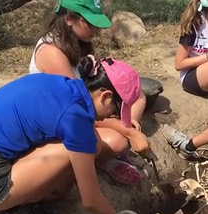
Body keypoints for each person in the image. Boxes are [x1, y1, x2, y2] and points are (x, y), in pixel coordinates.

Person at [0, 55, 145, 214]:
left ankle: (14, 197)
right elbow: (91, 201)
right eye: (116, 110)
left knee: (89, 146)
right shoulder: (74, 118)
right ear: (105, 96)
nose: (112, 117)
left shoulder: (62, 86)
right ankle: (4, 207)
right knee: (74, 152)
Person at [29, 0, 148, 185]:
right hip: (62, 118)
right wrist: (129, 132)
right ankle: (101, 160)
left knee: (138, 97)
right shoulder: (52, 53)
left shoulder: (76, 43)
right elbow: (80, 108)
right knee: (117, 142)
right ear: (68, 19)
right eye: (90, 23)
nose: (96, 30)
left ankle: (107, 149)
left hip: (79, 109)